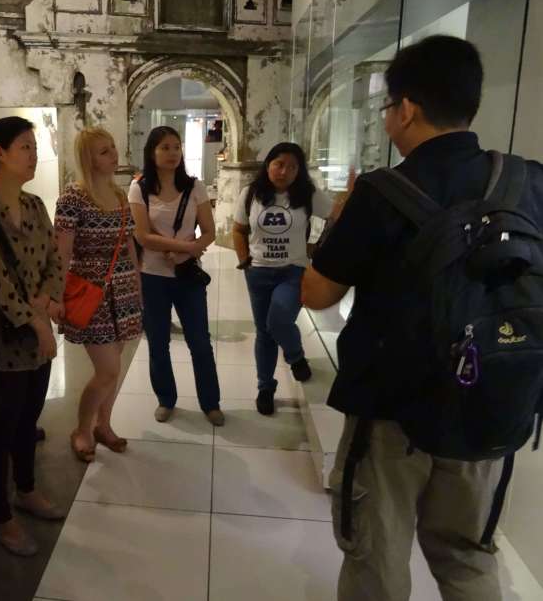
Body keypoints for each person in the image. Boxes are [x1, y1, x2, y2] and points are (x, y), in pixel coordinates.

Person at [302, 35, 543, 601]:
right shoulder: (530, 181)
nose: (388, 119)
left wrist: (339, 220)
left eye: (388, 107)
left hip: (393, 412)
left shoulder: (383, 192)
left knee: (377, 559)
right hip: (491, 403)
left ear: (407, 107)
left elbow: (317, 293)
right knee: (465, 557)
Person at [0, 116, 65, 556]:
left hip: (37, 338)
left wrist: (48, 298)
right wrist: (38, 320)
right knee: (1, 428)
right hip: (3, 339)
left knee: (29, 420)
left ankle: (26, 489)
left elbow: (54, 263)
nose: (33, 154)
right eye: (24, 146)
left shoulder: (36, 205)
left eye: (34, 146)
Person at [232, 142, 350, 416]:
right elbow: (239, 230)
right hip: (258, 273)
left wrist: (351, 196)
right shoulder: (251, 194)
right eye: (279, 164)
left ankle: (295, 355)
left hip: (293, 271)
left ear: (300, 172)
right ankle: (265, 387)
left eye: (293, 167)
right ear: (268, 164)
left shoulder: (307, 195)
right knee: (264, 333)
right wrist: (244, 260)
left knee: (278, 319)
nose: (284, 171)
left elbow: (337, 215)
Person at [54, 127, 143, 462]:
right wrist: (57, 295)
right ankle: (82, 428)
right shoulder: (73, 198)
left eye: (113, 147)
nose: (113, 154)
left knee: (115, 367)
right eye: (104, 151)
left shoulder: (120, 195)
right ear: (87, 158)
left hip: (122, 293)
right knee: (106, 370)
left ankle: (104, 425)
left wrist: (136, 285)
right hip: (91, 294)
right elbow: (61, 253)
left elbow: (129, 249)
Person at [129, 126, 224, 426]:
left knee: (200, 341)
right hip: (152, 277)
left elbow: (209, 232)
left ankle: (210, 402)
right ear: (152, 152)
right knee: (158, 342)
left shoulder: (196, 187)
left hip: (187, 277)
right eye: (164, 147)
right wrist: (185, 246)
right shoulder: (139, 188)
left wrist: (188, 251)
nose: (172, 153)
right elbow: (143, 236)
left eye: (176, 147)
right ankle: (165, 399)